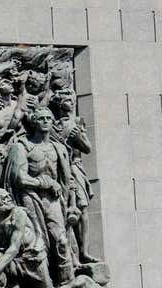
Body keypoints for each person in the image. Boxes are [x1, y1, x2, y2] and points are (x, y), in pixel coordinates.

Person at [4, 106, 77, 285]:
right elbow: (18, 178)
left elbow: (68, 179)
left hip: (54, 200)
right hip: (30, 197)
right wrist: (43, 182)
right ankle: (43, 287)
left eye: (48, 118)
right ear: (34, 122)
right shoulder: (21, 146)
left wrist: (72, 203)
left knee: (61, 240)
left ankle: (68, 284)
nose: (45, 121)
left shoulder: (59, 148)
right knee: (36, 242)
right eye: (41, 118)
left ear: (52, 122)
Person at [49, 88, 99, 264]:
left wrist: (79, 132)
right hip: (63, 171)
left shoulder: (75, 122)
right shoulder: (57, 124)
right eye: (67, 99)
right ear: (60, 103)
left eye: (72, 98)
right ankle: (73, 255)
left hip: (74, 169)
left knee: (81, 209)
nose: (71, 102)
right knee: (68, 212)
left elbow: (86, 149)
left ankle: (83, 252)